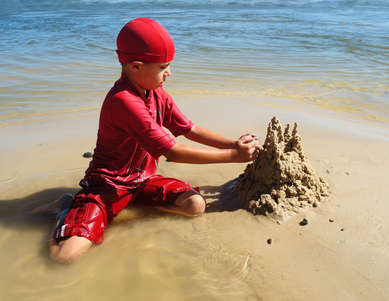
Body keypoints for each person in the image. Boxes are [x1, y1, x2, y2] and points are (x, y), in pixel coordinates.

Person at [48, 17, 259, 263]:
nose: (169, 72)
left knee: (194, 206)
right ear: (136, 66)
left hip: (142, 180)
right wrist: (232, 158)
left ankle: (126, 207)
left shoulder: (158, 94)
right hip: (107, 185)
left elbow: (188, 128)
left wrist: (233, 145)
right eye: (163, 67)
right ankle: (66, 207)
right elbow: (172, 151)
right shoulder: (123, 101)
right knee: (65, 256)